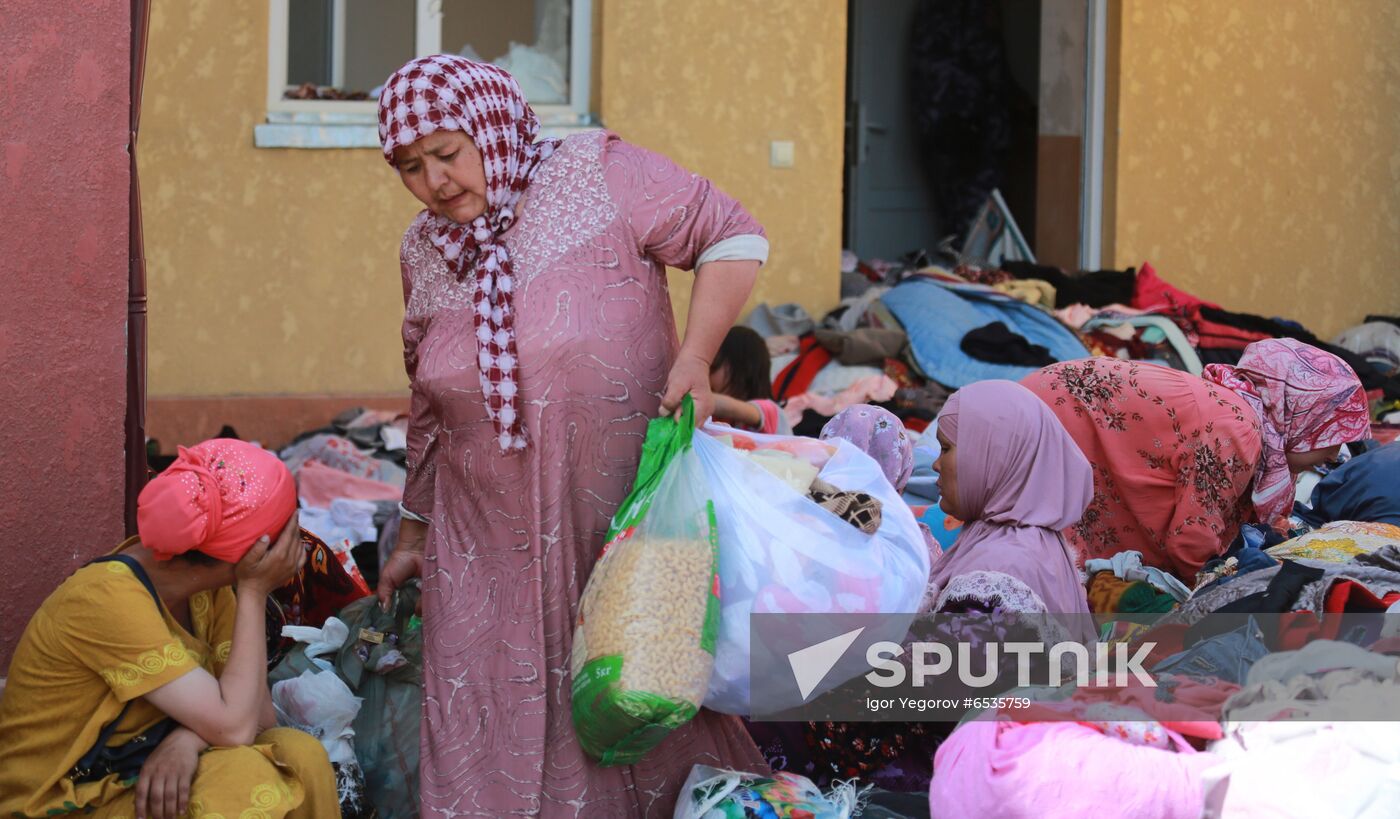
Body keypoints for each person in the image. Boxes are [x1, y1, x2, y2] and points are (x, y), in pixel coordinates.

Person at [370, 55, 768, 815]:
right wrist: (413, 531)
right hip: (484, 546)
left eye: (449, 153)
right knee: (487, 722)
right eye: (410, 168)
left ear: (490, 126)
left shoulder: (597, 174)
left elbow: (733, 237)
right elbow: (427, 404)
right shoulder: (423, 250)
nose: (436, 181)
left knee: (633, 700)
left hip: (616, 524)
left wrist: (697, 354)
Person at [0, 440, 337, 819]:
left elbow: (256, 719)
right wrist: (256, 590)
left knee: (299, 754)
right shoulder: (105, 597)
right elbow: (233, 731)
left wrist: (186, 740)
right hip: (68, 802)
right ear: (251, 553)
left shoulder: (209, 594)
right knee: (241, 778)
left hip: (142, 776)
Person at [1023, 337, 1370, 580]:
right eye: (1333, 434)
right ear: (1303, 416)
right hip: (1048, 419)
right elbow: (1191, 541)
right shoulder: (1238, 428)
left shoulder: (1247, 416)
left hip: (1049, 409)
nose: (1335, 452)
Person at [925, 380, 1095, 630]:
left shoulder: (998, 571)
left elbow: (944, 664)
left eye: (946, 448)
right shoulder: (1037, 542)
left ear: (991, 458)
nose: (936, 465)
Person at [710, 325, 789, 434]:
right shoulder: (724, 420)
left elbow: (723, 405)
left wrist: (697, 396)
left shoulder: (771, 411)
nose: (706, 376)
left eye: (713, 367)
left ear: (740, 367)